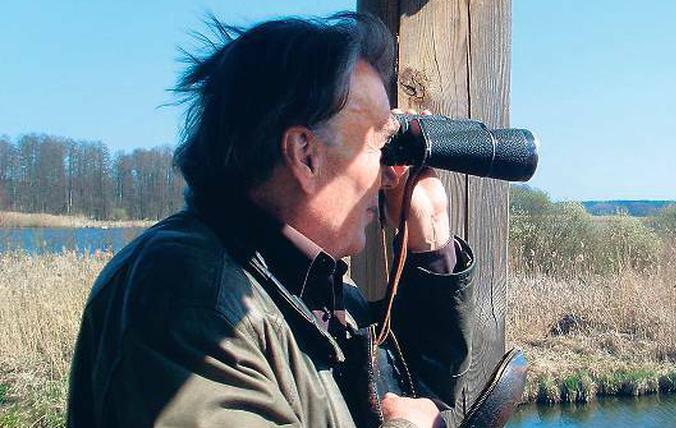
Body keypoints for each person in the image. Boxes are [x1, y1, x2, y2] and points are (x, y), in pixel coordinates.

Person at [66, 12, 479, 428]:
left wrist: (429, 236)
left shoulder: (304, 286)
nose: (389, 174)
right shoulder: (190, 297)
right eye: (378, 144)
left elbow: (415, 394)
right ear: (305, 154)